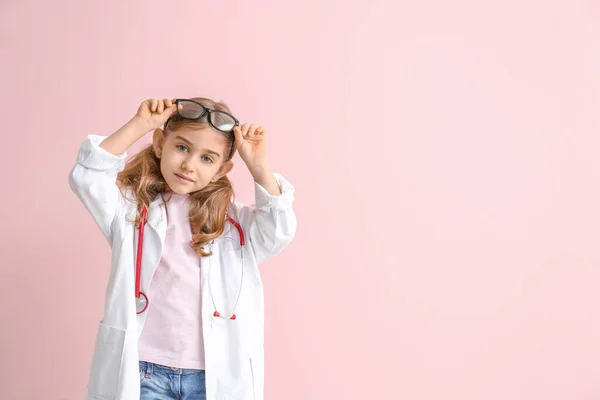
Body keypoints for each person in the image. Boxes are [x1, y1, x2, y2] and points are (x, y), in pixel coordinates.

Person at [69, 97, 297, 400]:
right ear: (160, 143)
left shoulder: (234, 223)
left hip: (212, 377)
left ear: (221, 169)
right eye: (182, 147)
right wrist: (141, 124)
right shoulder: (130, 210)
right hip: (144, 370)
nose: (189, 164)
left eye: (207, 158)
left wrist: (258, 167)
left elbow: (278, 229)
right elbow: (88, 176)